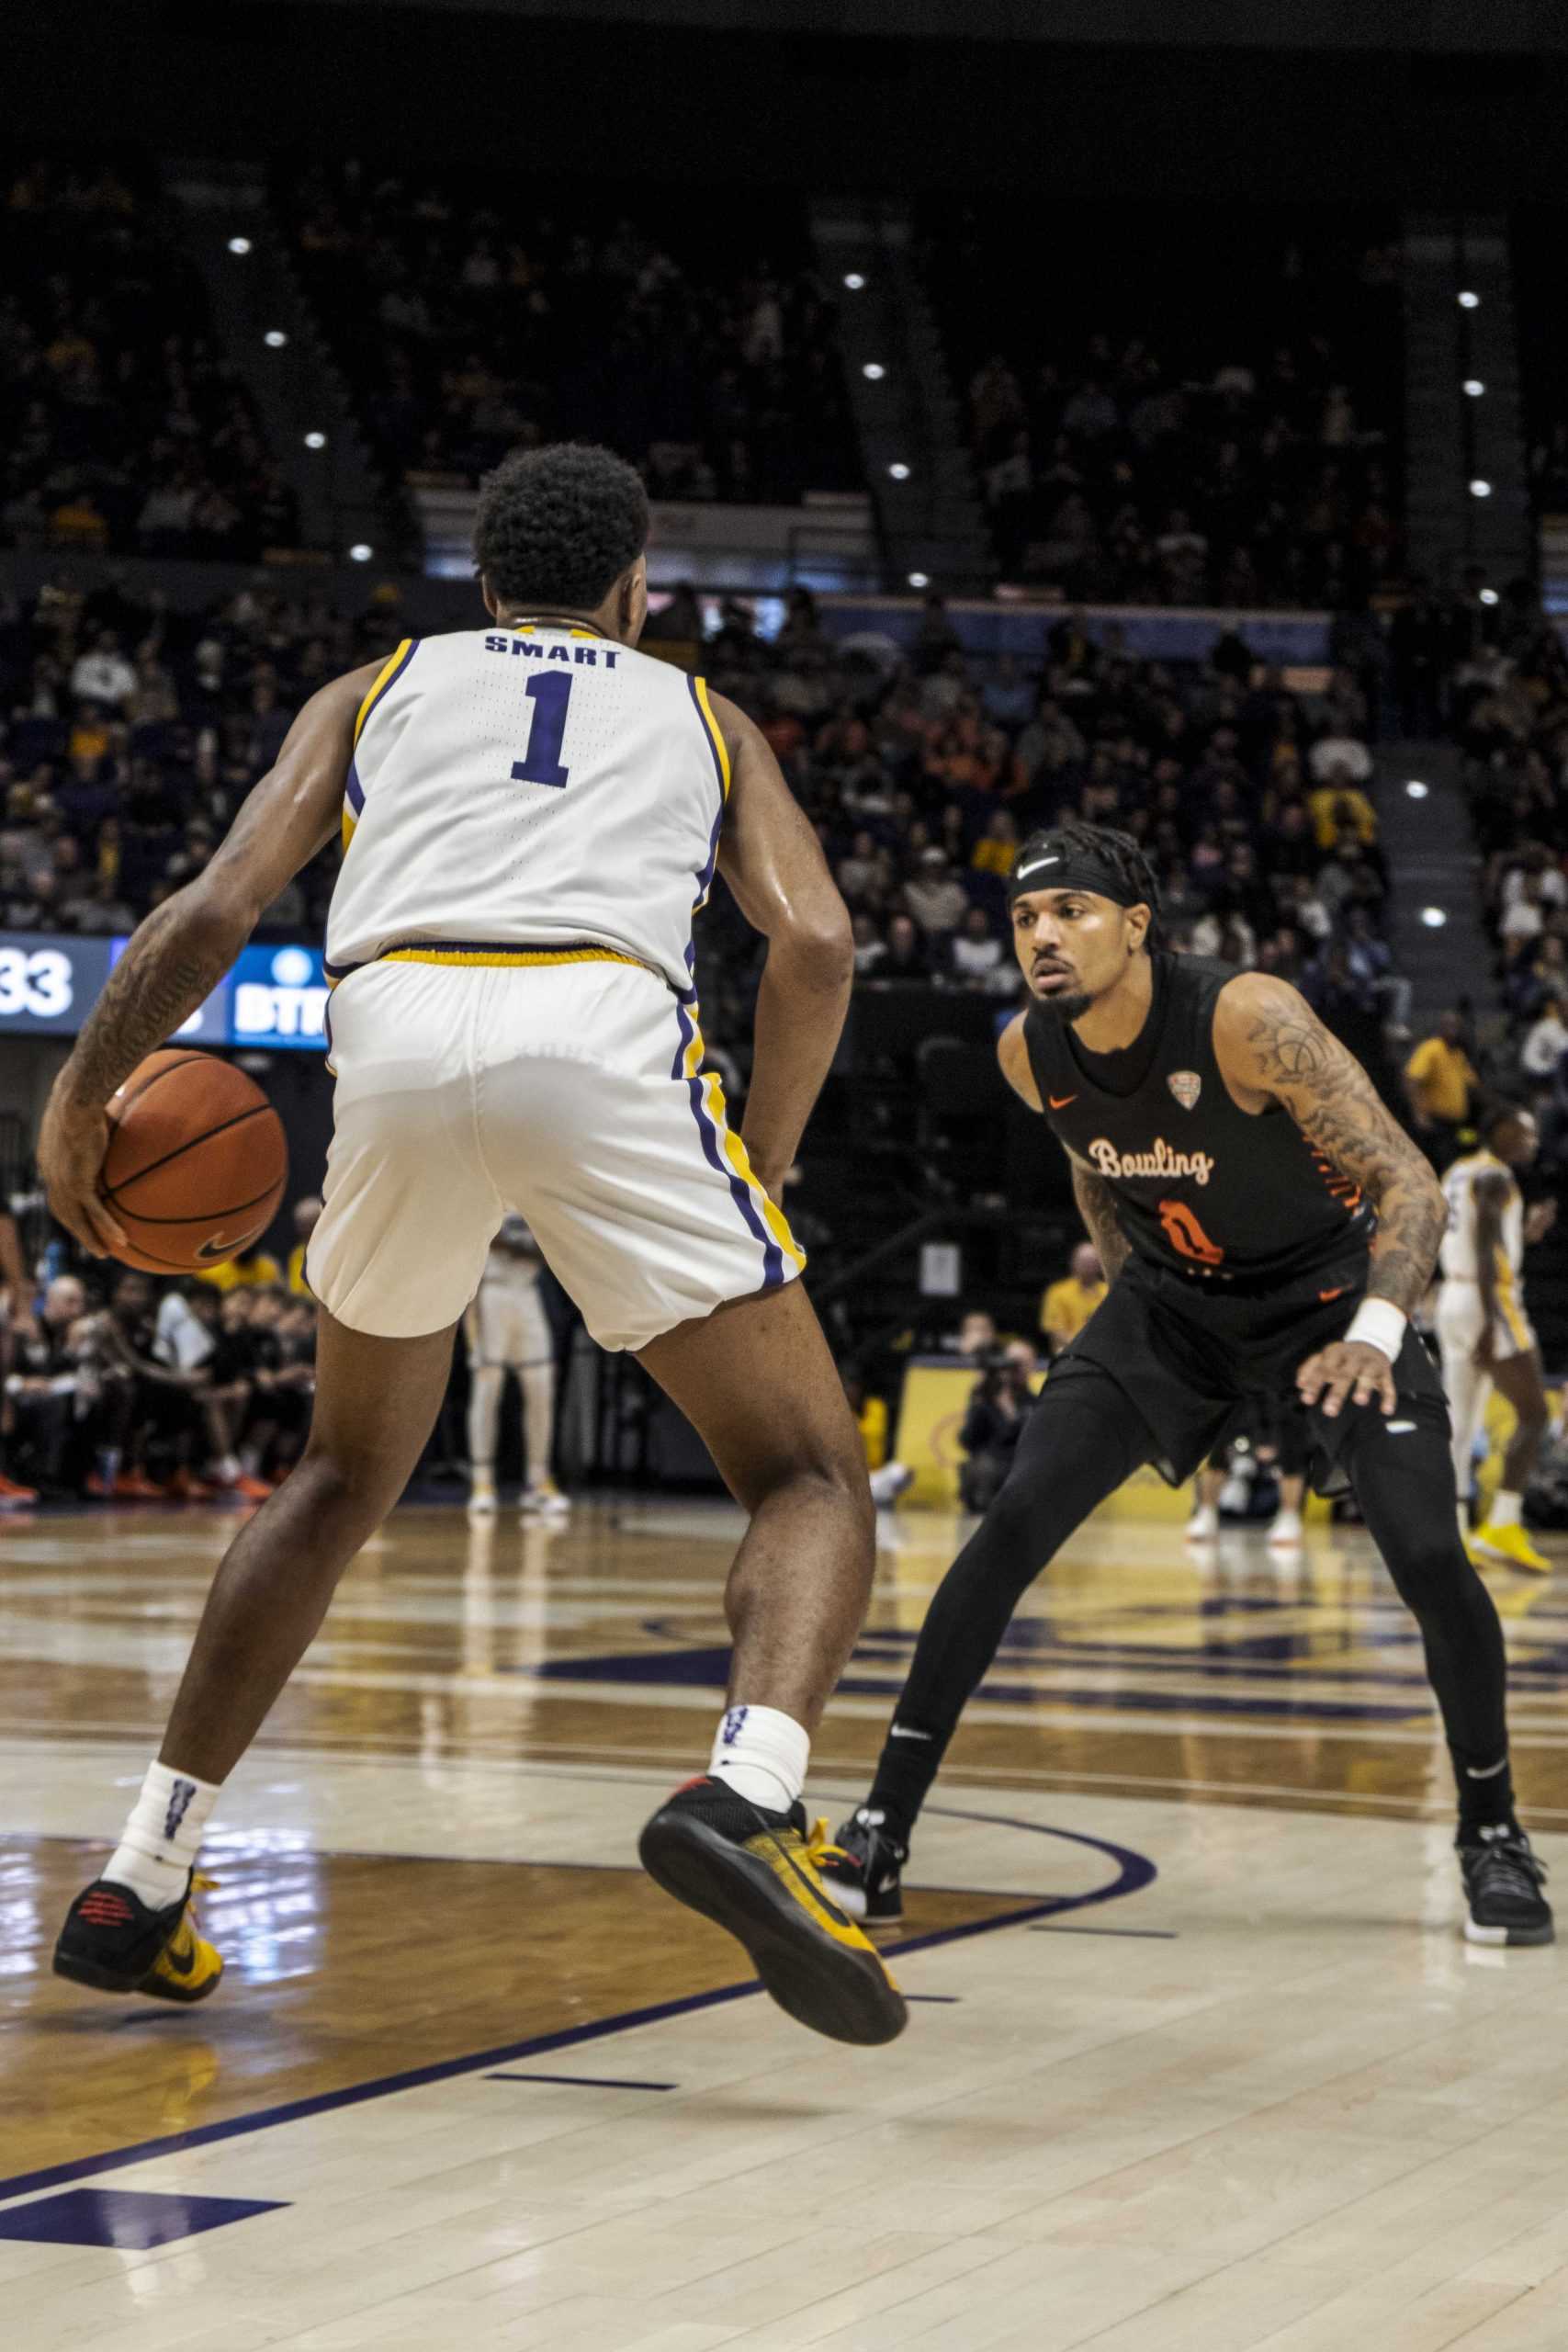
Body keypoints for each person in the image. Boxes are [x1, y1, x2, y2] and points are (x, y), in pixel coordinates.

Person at [40, 442, 902, 2046]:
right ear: (639, 589)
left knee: (337, 1477)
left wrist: (80, 1098)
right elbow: (819, 943)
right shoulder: (702, 714)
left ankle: (146, 1868)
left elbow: (217, 909)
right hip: (597, 1026)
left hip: (394, 1034)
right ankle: (751, 1793)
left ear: (486, 587)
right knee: (805, 1478)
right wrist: (761, 1159)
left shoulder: (376, 689)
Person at [821, 820, 1551, 1948]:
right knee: (1011, 1519)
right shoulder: (1029, 1053)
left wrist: (1372, 1329)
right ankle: (879, 1830)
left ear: (1138, 927)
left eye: (1070, 911)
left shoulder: (1245, 1016)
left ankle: (1494, 1833)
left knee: (1426, 1552)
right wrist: (1138, 1307)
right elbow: (1095, 1172)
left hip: (1330, 1302)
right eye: (1024, 918)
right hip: (1177, 1312)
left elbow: (1409, 1179)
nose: (1042, 936)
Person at [1437, 1104, 1557, 1573]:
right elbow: (1486, 1249)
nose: (1531, 1140)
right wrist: (1490, 1321)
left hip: (1453, 1296)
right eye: (1523, 1131)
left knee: (1461, 1425)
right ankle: (1503, 1524)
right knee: (1535, 1412)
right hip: (1488, 1302)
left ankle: (1454, 1533)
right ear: (1498, 1131)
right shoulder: (1495, 1177)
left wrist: (1527, 1233)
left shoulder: (1460, 1171)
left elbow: (1478, 1237)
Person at [465, 1213, 567, 1516]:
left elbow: (551, 1251)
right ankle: (482, 1481)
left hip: (527, 1292)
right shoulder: (486, 1185)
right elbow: (476, 1238)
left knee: (541, 1390)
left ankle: (538, 1480)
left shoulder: (534, 1190)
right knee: (486, 1390)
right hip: (490, 1292)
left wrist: (507, 1242)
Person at [1404, 1012, 1478, 1161]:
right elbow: (1412, 1079)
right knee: (1438, 1162)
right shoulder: (1431, 1049)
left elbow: (1473, 1084)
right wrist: (1419, 1114)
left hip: (1456, 1125)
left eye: (1456, 1027)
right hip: (1435, 1123)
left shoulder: (1458, 1054)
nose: (1453, 1031)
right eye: (1449, 1026)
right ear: (1441, 1028)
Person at [1039, 1240, 1105, 1356]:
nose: (1088, 1265)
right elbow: (1056, 1331)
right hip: (1068, 1354)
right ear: (1073, 1263)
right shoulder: (1058, 1292)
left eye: (1092, 1261)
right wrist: (1084, 1348)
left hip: (1103, 1353)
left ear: (1100, 1264)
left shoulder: (1109, 1291)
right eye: (1084, 1261)